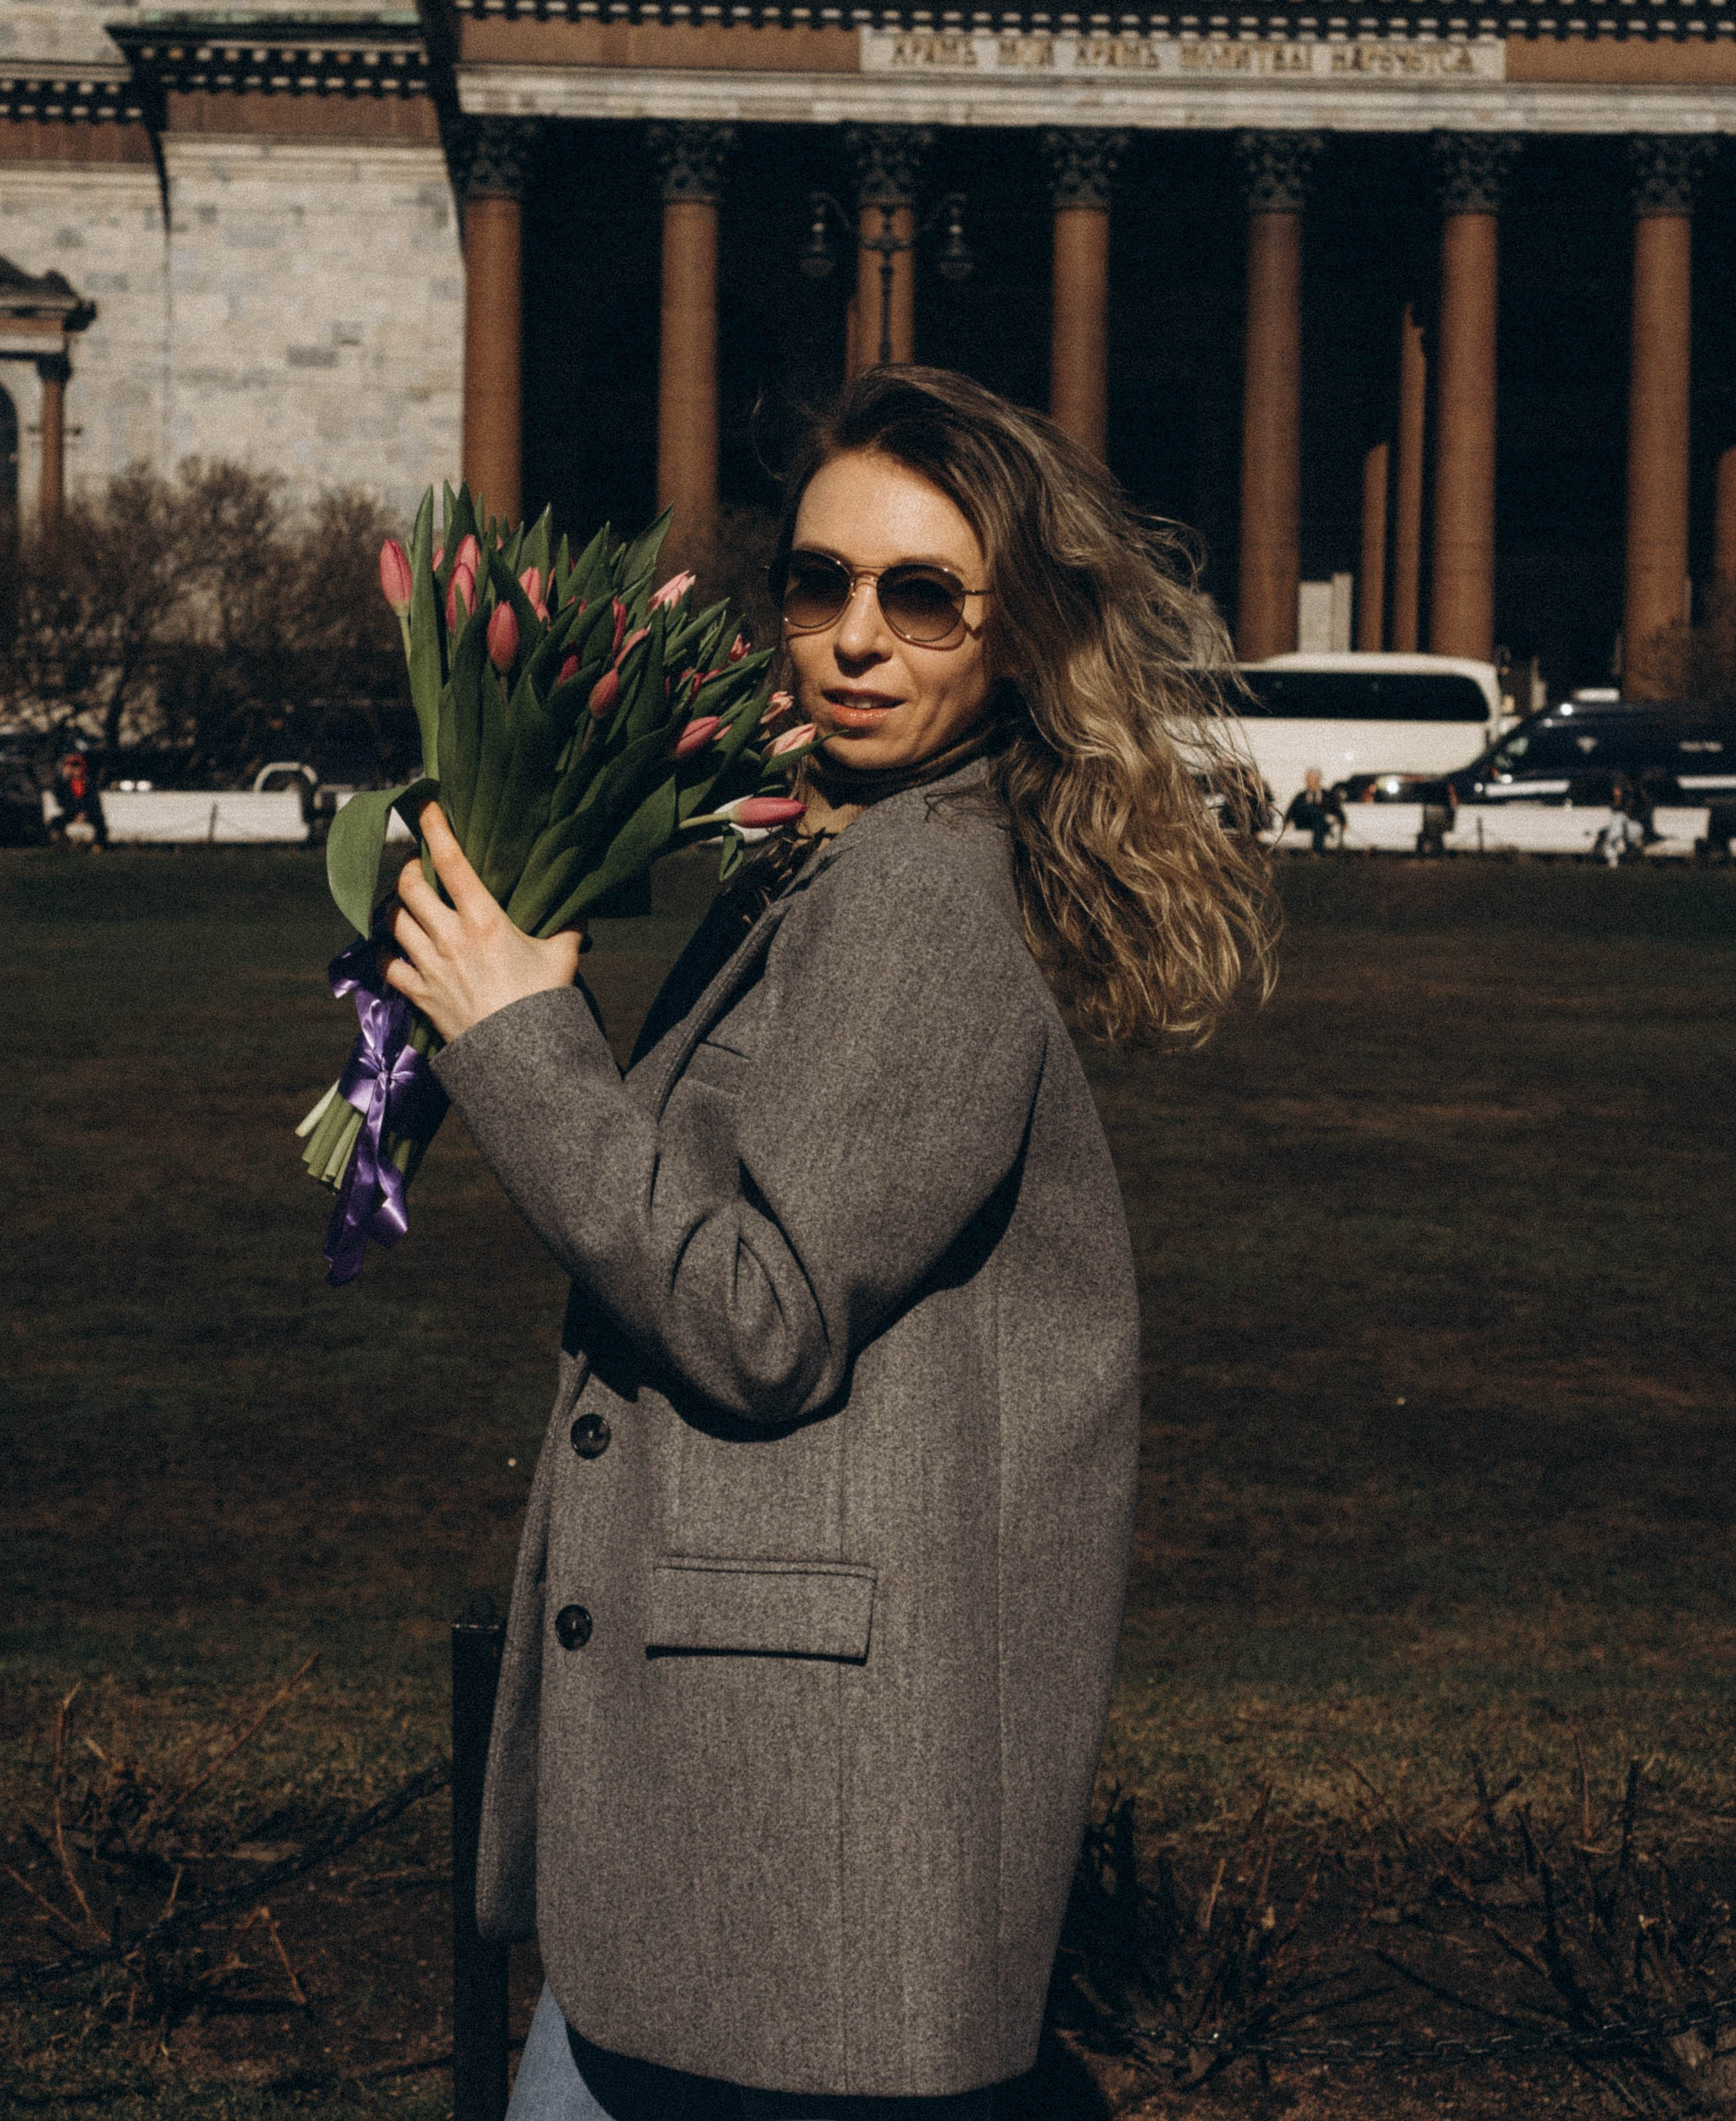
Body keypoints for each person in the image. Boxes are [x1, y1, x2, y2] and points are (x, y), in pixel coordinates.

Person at [382, 366, 1274, 2120]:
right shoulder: (843, 855)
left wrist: (515, 1043)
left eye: (920, 595)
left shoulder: (922, 897)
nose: (853, 638)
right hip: (756, 1802)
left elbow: (759, 1315)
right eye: (817, 583)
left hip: (810, 1827)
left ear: (1015, 633)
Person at [1284, 767, 1341, 854]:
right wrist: (1286, 822)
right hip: (1305, 822)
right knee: (1304, 806)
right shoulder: (1301, 795)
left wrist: (1343, 823)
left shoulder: (1328, 795)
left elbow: (1337, 810)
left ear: (1317, 779)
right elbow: (1291, 810)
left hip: (1319, 824)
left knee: (1319, 824)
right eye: (1307, 779)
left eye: (1310, 779)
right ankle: (1324, 818)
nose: (1308, 781)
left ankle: (1317, 852)